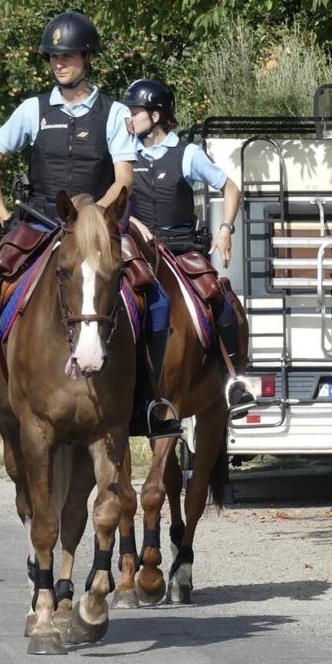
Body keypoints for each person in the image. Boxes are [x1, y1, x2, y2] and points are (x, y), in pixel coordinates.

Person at [0, 10, 181, 436]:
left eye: (68, 55)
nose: (59, 62)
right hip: (36, 224)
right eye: (54, 56)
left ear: (86, 57)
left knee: (157, 299)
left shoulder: (111, 114)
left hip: (96, 231)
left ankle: (147, 399)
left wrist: (93, 219)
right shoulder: (32, 109)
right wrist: (3, 216)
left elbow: (124, 178)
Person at [123, 78, 255, 417]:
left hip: (180, 248)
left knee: (217, 296)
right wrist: (134, 224)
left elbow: (231, 188)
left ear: (155, 115)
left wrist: (225, 230)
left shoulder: (187, 154)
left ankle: (233, 380)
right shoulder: (124, 155)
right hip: (136, 249)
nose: (129, 118)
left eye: (134, 112)